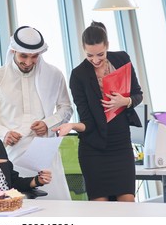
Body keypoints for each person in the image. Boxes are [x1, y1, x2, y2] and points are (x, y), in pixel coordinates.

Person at [0, 26, 73, 200]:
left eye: (34, 56)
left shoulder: (54, 75)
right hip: (12, 153)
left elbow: (66, 108)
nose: (28, 62)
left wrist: (48, 123)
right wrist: (3, 133)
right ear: (13, 50)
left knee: (57, 208)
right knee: (16, 207)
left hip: (46, 152)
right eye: (23, 56)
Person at [52, 21, 143, 202]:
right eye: (89, 55)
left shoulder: (122, 59)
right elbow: (88, 121)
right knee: (101, 211)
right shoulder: (78, 76)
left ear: (107, 45)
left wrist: (125, 101)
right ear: (83, 49)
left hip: (121, 145)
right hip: (94, 149)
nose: (95, 60)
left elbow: (138, 94)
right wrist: (70, 125)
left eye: (100, 54)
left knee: (127, 205)